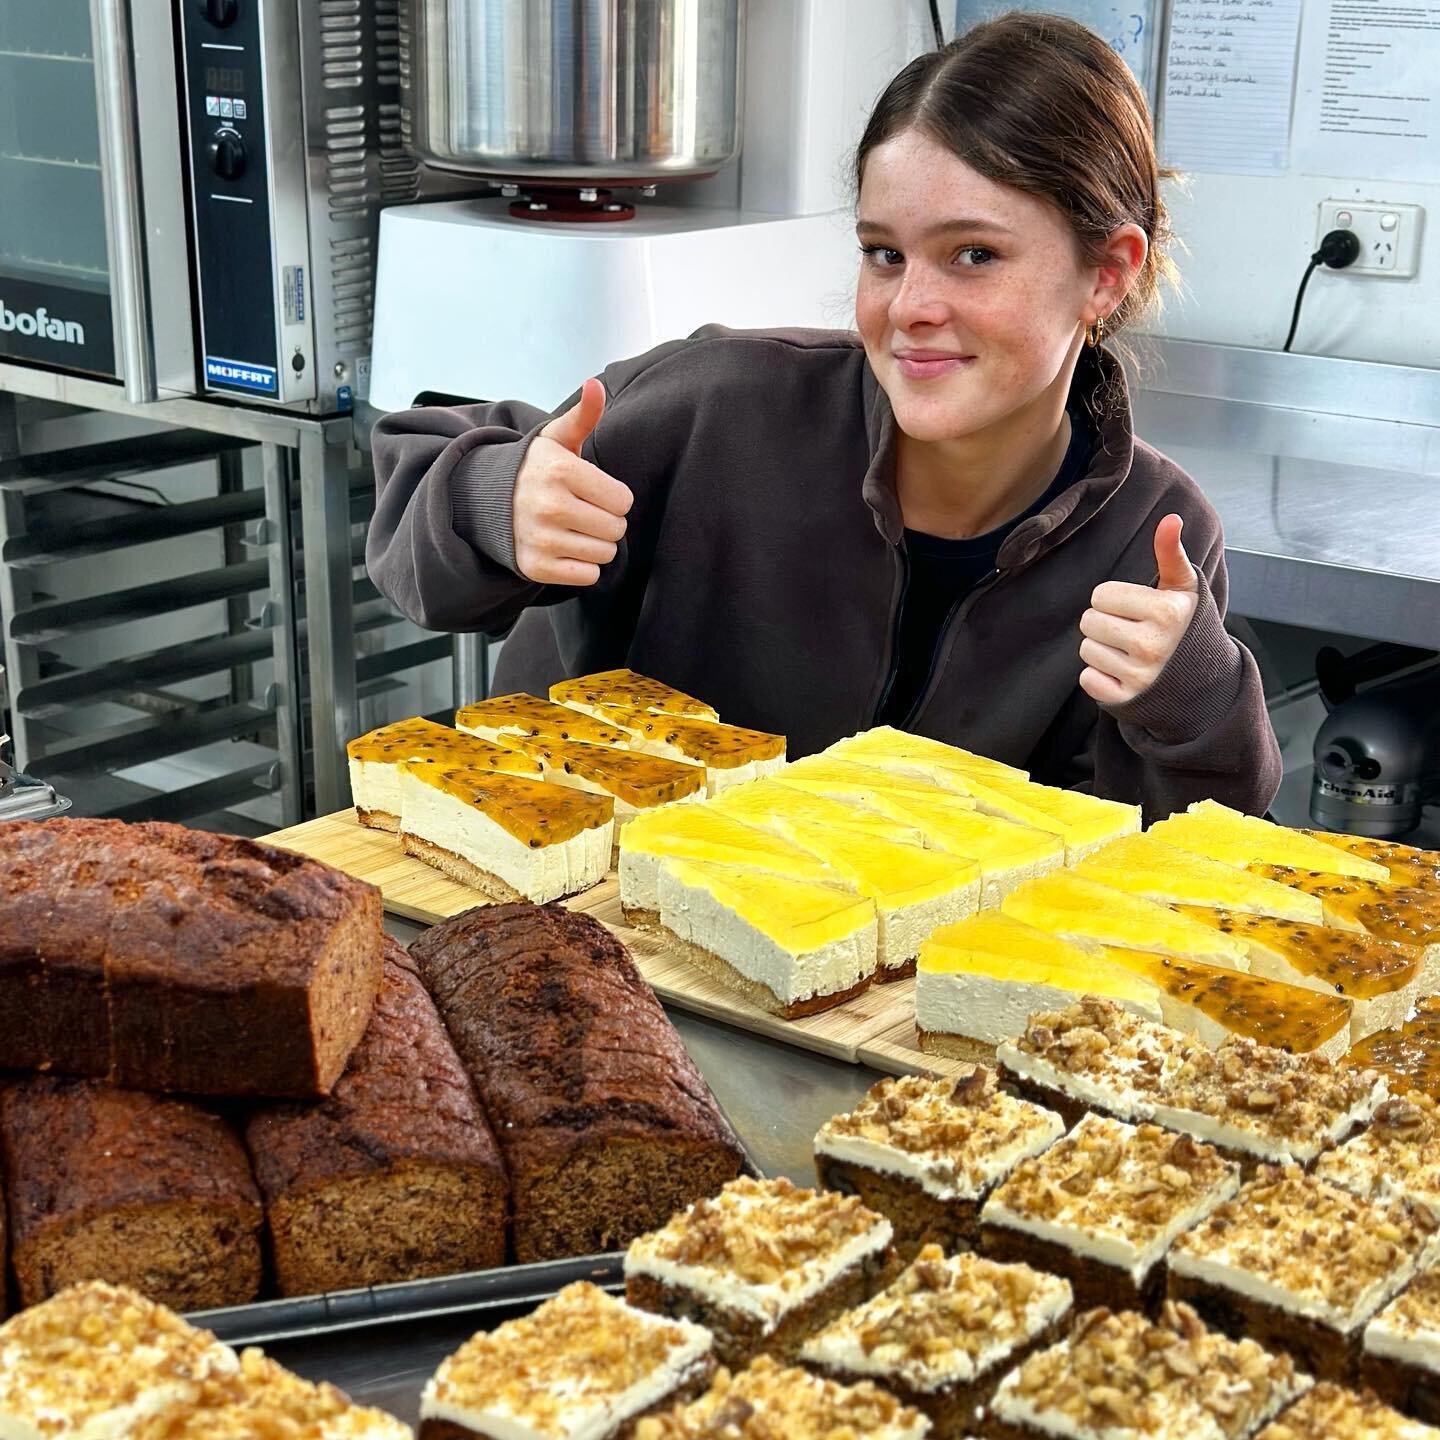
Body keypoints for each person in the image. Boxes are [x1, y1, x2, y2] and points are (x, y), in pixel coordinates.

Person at [367, 12, 1281, 822]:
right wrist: (492, 501)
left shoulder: (1153, 535)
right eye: (884, 255)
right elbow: (414, 507)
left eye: (972, 254)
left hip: (865, 1004)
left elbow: (1161, 862)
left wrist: (1196, 701)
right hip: (582, 933)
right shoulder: (717, 405)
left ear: (1108, 271)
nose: (910, 305)